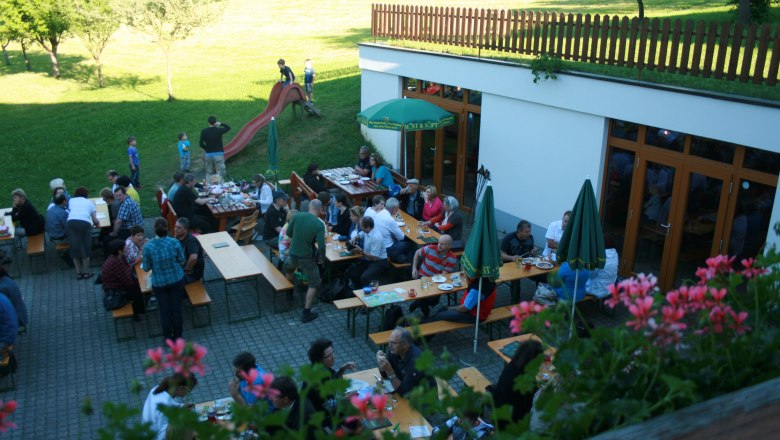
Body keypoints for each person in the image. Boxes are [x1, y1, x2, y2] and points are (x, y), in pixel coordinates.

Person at [142, 219, 186, 342]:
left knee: (164, 311)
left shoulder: (148, 247)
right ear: (167, 228)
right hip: (176, 279)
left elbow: (146, 268)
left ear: (154, 229)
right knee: (176, 309)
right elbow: (182, 260)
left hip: (159, 283)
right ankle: (178, 336)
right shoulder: (174, 242)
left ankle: (167, 337)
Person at [283, 200, 325, 323]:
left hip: (292, 254)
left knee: (289, 270)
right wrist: (322, 257)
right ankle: (306, 312)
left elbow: (289, 233)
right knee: (315, 283)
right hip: (306, 257)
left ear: (309, 207)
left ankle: (289, 293)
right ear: (320, 209)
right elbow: (321, 246)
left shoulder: (297, 216)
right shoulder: (319, 224)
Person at [487, 340, 543, 430]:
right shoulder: (525, 378)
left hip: (500, 411)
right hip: (511, 421)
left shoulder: (512, 365)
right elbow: (531, 402)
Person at [304, 338, 357, 416]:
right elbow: (330, 407)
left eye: (332, 353)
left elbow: (333, 379)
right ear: (319, 360)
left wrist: (342, 369)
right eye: (329, 356)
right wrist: (348, 398)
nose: (333, 357)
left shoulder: (321, 368)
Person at [376, 327, 435, 397]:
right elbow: (385, 376)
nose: (390, 345)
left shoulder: (416, 361)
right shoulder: (394, 351)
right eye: (389, 342)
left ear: (405, 344)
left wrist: (389, 370)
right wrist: (381, 364)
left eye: (394, 343)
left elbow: (404, 392)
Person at [409, 234, 457, 317]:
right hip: (422, 275)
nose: (439, 245)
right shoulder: (430, 248)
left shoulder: (452, 258)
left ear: (449, 246)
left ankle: (417, 303)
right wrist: (414, 268)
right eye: (439, 243)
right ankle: (425, 310)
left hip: (436, 280)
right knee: (424, 293)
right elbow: (417, 252)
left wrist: (437, 277)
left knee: (434, 300)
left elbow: (444, 275)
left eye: (442, 244)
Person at [142, 373, 198, 440]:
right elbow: (163, 437)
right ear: (181, 388)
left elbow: (170, 404)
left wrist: (181, 406)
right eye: (188, 391)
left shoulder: (156, 389)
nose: (187, 394)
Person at [102, 239, 145, 321]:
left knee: (139, 284)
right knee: (140, 290)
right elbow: (126, 281)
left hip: (118, 285)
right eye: (125, 247)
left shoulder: (118, 257)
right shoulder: (115, 262)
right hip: (116, 291)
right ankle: (138, 311)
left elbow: (127, 269)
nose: (126, 248)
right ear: (119, 251)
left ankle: (140, 308)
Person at [426, 277, 497, 324]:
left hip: (475, 316)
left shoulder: (478, 288)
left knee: (438, 316)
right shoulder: (487, 280)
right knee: (442, 309)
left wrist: (450, 308)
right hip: (474, 310)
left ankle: (421, 338)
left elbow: (465, 308)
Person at [66, 187, 100, 279]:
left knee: (74, 248)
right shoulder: (90, 203)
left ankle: (78, 273)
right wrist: (97, 224)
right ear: (86, 195)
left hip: (71, 223)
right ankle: (86, 272)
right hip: (84, 224)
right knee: (86, 249)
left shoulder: (71, 201)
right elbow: (95, 220)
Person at [364, 196, 409, 263]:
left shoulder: (379, 213)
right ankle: (407, 264)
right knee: (408, 243)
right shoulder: (390, 219)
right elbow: (401, 237)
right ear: (394, 208)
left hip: (376, 245)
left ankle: (400, 258)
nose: (397, 210)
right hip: (386, 249)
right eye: (397, 209)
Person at [347, 216, 388, 289]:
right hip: (369, 259)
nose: (361, 228)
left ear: (368, 227)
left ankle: (369, 294)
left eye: (362, 227)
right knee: (353, 274)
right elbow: (361, 234)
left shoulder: (376, 237)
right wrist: (354, 238)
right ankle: (358, 291)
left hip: (379, 262)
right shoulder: (367, 231)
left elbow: (374, 257)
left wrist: (361, 251)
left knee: (365, 277)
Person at [586, 233, 619, 299]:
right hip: (610, 288)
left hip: (596, 290)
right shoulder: (615, 254)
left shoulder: (599, 257)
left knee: (575, 280)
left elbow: (590, 275)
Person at [199, 115, 231, 180]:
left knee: (209, 172)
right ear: (215, 122)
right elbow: (228, 128)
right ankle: (220, 187)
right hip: (219, 154)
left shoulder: (204, 131)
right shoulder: (219, 130)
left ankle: (209, 186)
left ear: (208, 122)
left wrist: (207, 149)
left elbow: (201, 144)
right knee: (220, 172)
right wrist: (221, 123)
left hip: (209, 154)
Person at [174, 218, 204, 284]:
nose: (176, 229)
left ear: (185, 230)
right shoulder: (177, 237)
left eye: (179, 228)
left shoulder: (191, 241)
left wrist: (186, 270)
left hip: (192, 274)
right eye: (175, 227)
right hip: (181, 268)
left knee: (171, 283)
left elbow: (193, 257)